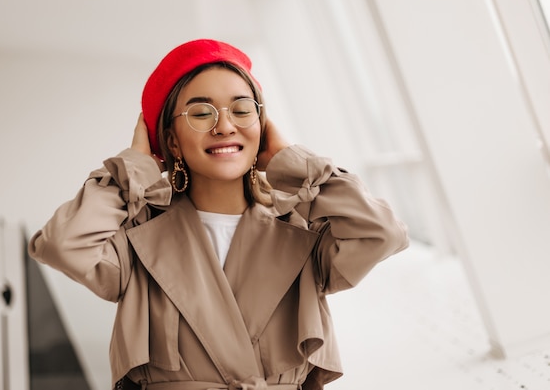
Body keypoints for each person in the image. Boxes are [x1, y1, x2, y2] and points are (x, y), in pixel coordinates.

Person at [28, 39, 409, 390]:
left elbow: (383, 233)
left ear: (262, 127)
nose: (225, 126)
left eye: (243, 110)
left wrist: (295, 165)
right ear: (171, 139)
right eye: (200, 112)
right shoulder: (136, 240)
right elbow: (62, 245)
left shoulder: (303, 233)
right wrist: (136, 169)